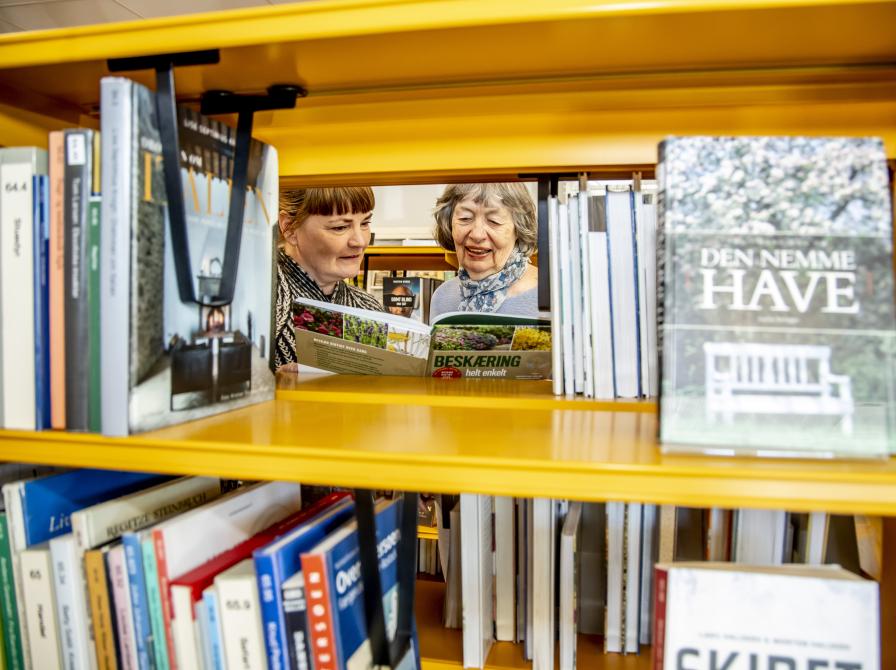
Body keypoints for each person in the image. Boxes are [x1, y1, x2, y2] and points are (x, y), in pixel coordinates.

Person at [274, 186, 385, 369]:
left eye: (365, 223)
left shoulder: (370, 307)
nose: (360, 241)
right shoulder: (255, 305)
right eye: (340, 227)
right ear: (290, 227)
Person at [429, 182, 539, 319]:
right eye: (465, 218)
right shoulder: (442, 297)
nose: (477, 234)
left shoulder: (551, 295)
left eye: (494, 221)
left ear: (518, 229)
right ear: (449, 224)